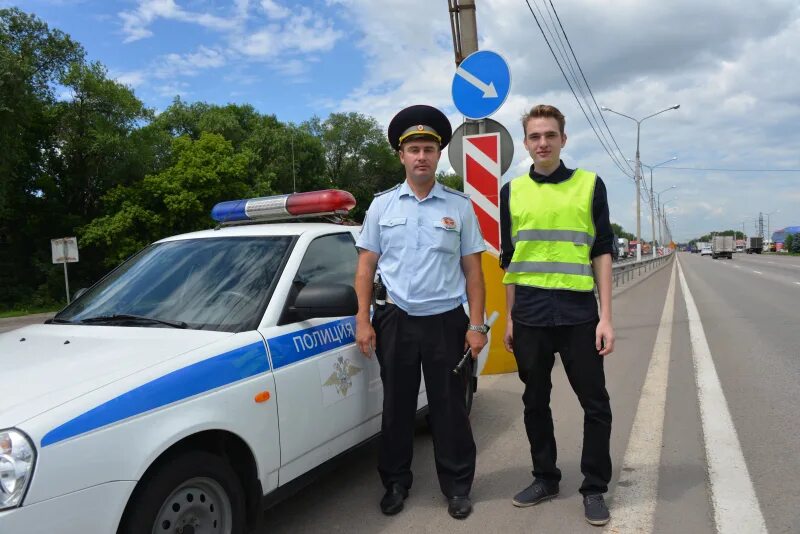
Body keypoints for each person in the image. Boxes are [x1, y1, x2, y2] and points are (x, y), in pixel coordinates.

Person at [354, 104, 488, 520]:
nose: (421, 156)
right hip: (394, 319)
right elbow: (365, 267)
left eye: (429, 148)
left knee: (449, 409)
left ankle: (458, 486)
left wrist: (476, 325)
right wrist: (363, 318)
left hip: (447, 320)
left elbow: (474, 273)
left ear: (438, 154)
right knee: (396, 407)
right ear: (401, 155)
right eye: (413, 148)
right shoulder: (381, 206)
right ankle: (395, 482)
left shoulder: (460, 206)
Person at [500, 104, 615, 526]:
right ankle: (545, 478)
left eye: (550, 135)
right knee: (534, 401)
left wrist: (605, 317)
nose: (543, 143)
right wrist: (510, 317)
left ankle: (594, 487)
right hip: (529, 314)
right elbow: (509, 260)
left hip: (579, 313)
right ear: (526, 143)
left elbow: (602, 249)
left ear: (563, 140)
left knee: (595, 404)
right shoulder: (511, 192)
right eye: (535, 136)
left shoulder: (589, 185)